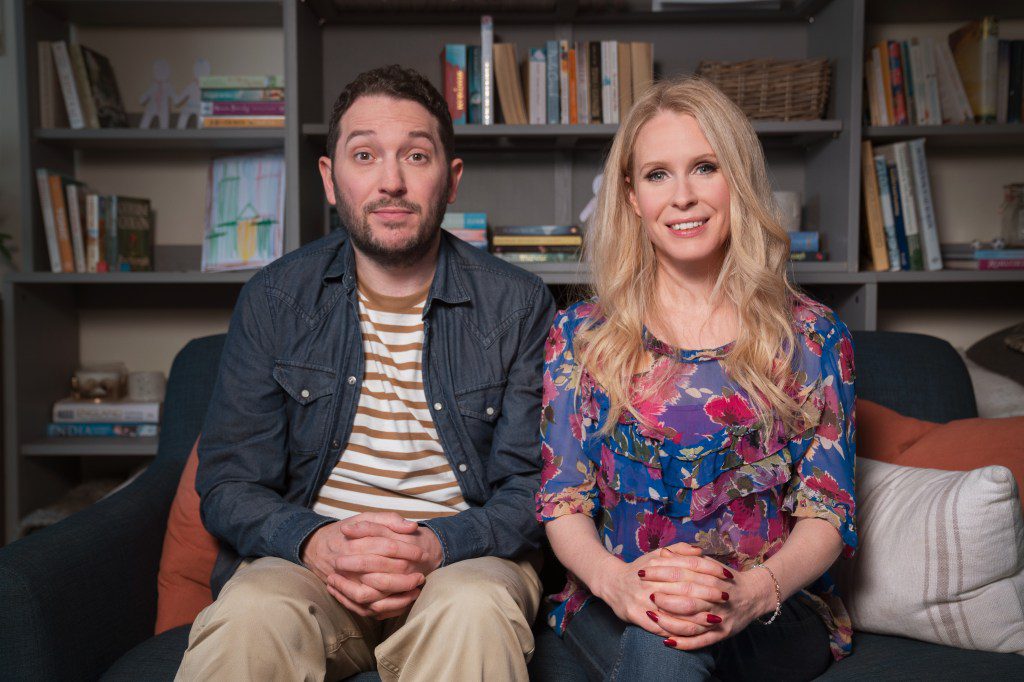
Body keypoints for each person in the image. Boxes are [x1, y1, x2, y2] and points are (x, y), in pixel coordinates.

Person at [176, 65, 555, 681]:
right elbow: (227, 485)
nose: (392, 182)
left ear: (451, 179)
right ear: (330, 179)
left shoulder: (518, 304)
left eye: (416, 155)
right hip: (307, 567)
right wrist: (312, 541)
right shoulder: (275, 299)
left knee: (475, 609)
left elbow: (532, 490)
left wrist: (437, 545)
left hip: (464, 562)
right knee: (248, 616)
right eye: (364, 155)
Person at [536, 76, 857, 681]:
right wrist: (621, 586)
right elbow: (563, 502)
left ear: (737, 181)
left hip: (771, 608)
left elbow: (828, 511)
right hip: (616, 600)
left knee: (668, 649)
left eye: (704, 167)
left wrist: (750, 594)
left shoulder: (813, 337)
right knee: (659, 647)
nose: (682, 196)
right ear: (631, 196)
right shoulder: (580, 337)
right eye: (658, 174)